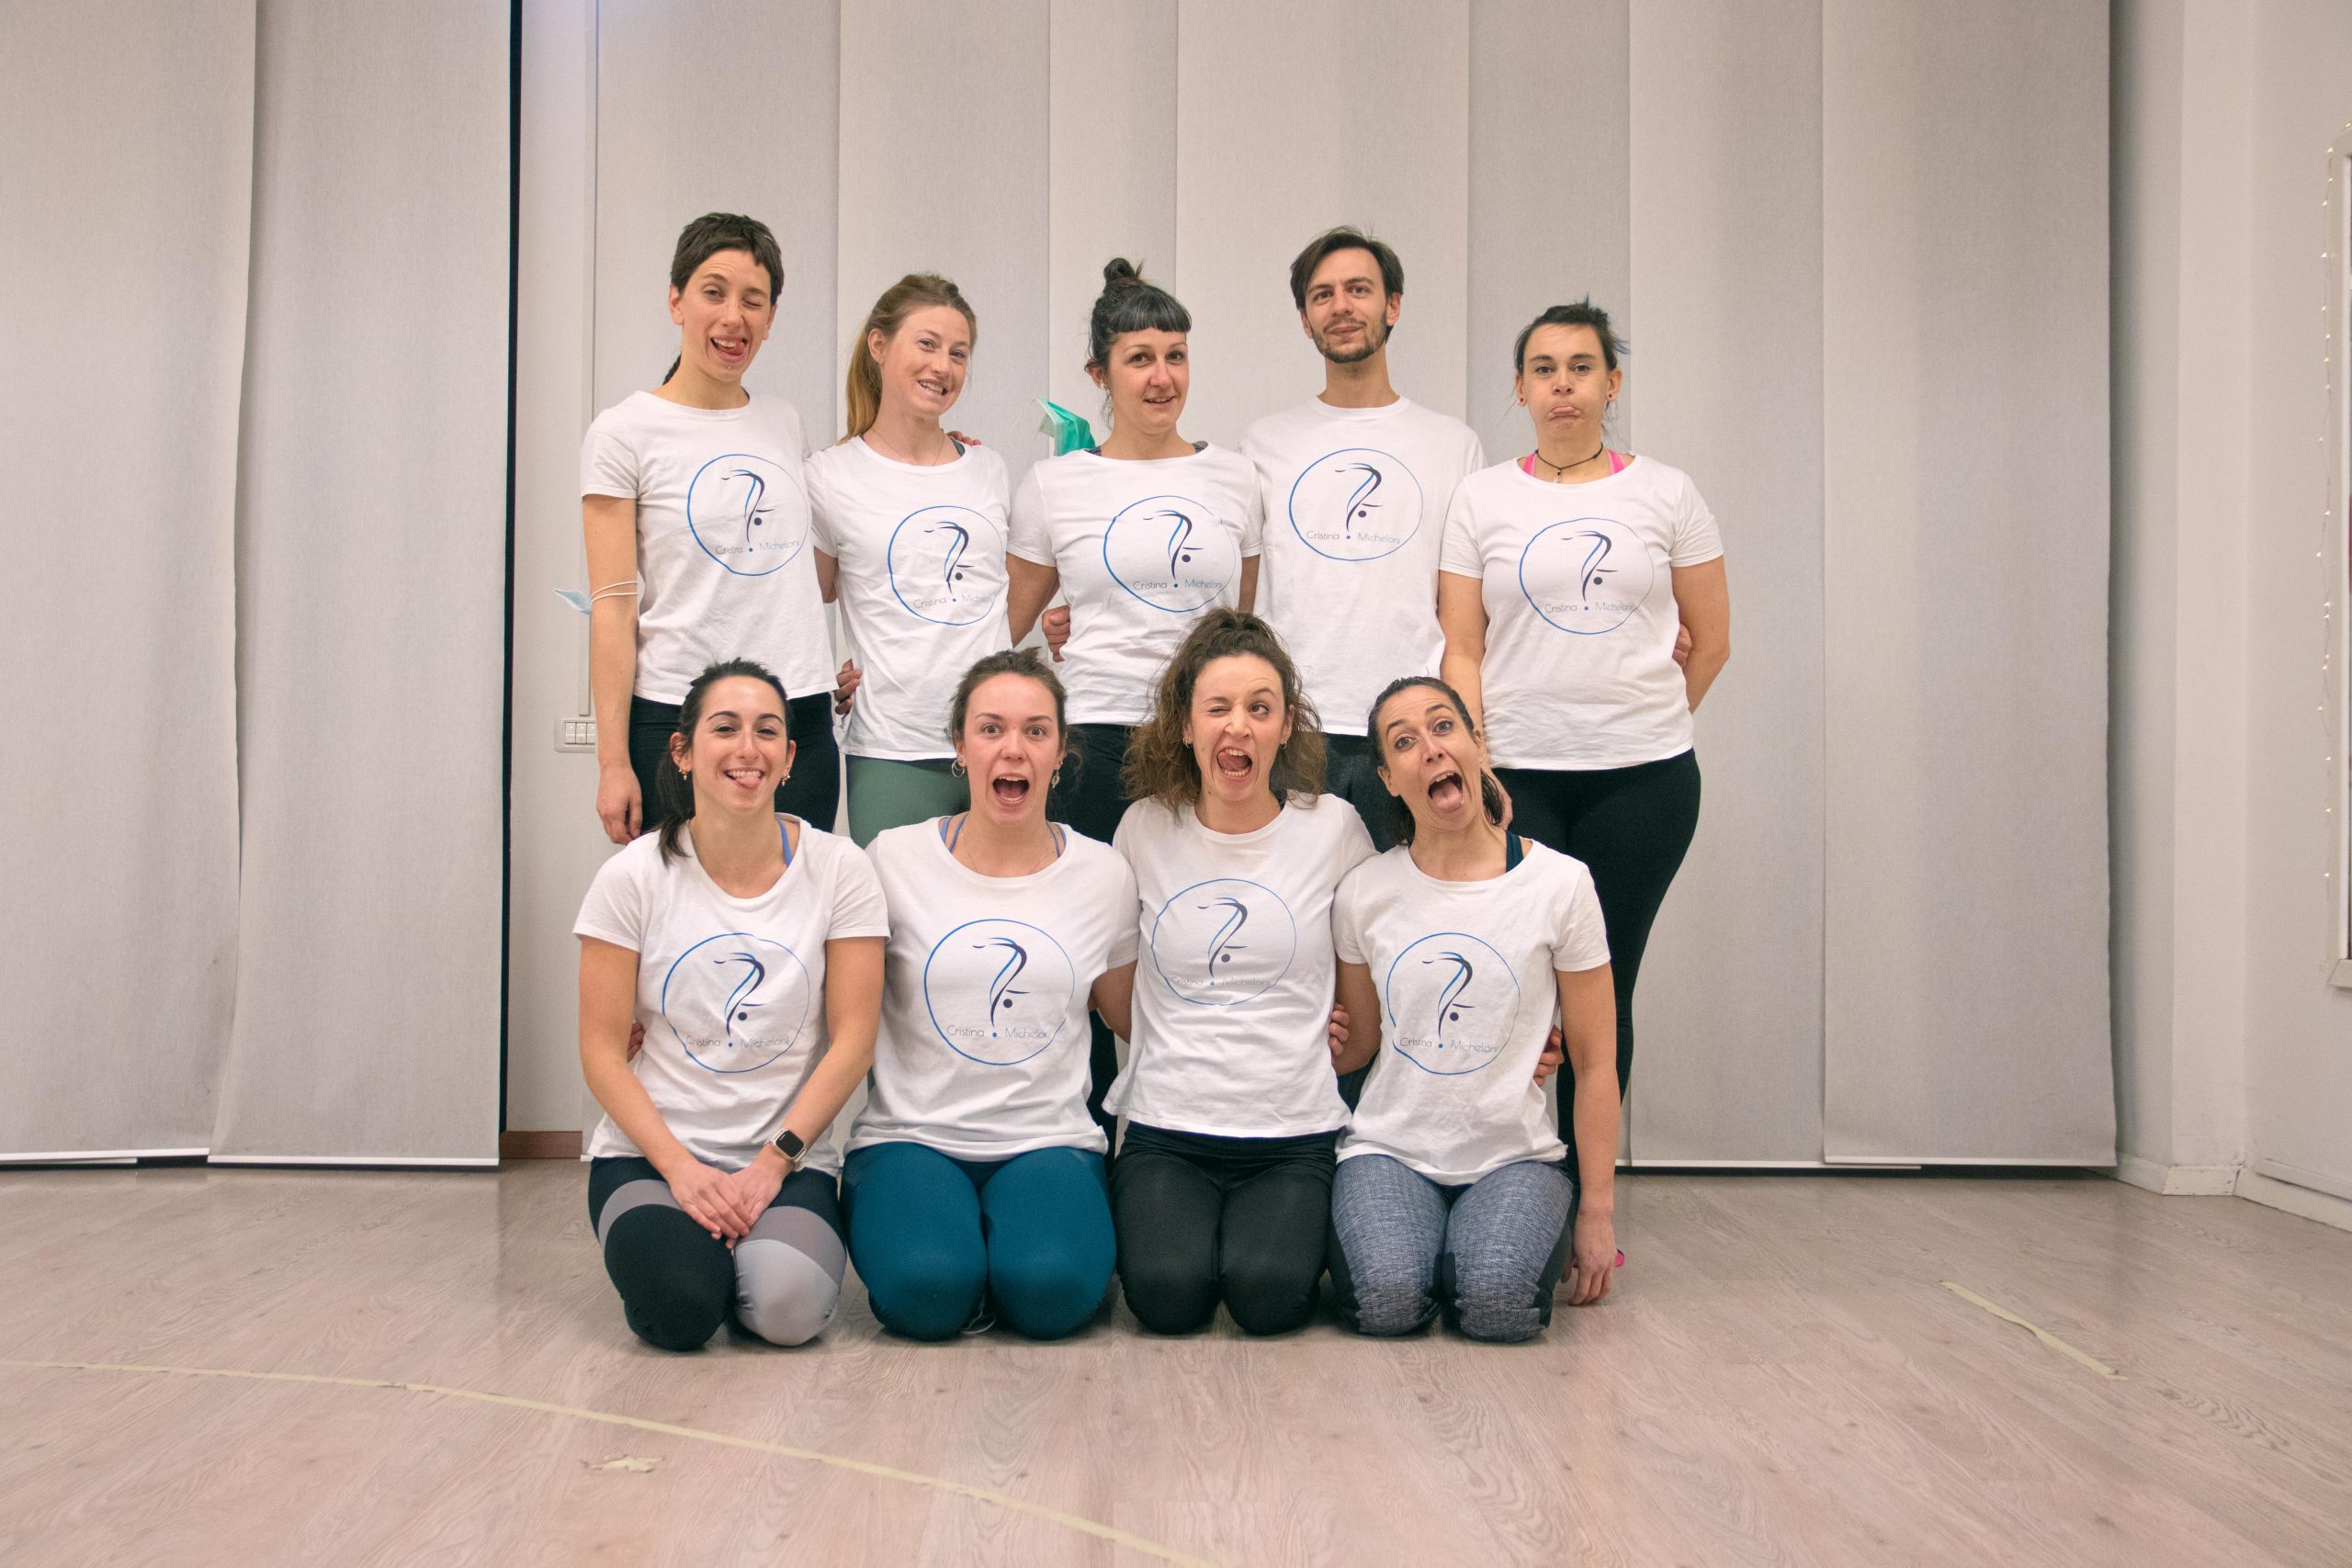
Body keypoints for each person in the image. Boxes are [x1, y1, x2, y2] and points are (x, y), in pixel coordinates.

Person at [1436, 300, 1729, 1168]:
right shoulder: (1482, 498)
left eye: (1580, 368)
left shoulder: (1667, 492)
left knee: (1604, 987)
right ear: (1520, 389)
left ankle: (1581, 1193)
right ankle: (1506, 1177)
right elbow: (1462, 647)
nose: (1562, 385)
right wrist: (1478, 762)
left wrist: (1643, 718)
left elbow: (1712, 641)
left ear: (1612, 383)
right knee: (1517, 985)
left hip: (1644, 784)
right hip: (1517, 778)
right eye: (1544, 369)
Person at [1006, 257, 1263, 1134]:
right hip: (1096, 739)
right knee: (1087, 944)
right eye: (1140, 358)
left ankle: (1183, 1134)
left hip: (1207, 743)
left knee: (1193, 939)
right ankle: (1078, 1137)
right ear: (1100, 373)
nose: (1162, 377)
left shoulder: (1235, 477)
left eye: (1176, 356)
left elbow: (1242, 628)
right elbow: (1004, 622)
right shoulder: (1054, 485)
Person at [575, 660, 887, 1350]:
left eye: (767, 731)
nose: (748, 748)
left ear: (790, 757)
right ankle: (692, 1259)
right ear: (682, 751)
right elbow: (600, 1051)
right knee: (682, 1308)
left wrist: (772, 1165)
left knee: (787, 1312)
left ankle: (736, 1255)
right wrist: (681, 1171)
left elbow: (854, 1042)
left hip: (787, 1160)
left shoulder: (841, 869)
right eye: (725, 728)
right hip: (652, 1159)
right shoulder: (631, 878)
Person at [841, 649, 1137, 1339]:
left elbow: (1131, 1016)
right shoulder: (891, 859)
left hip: (1048, 1139)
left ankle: (1009, 1256)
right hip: (911, 1138)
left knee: (1053, 1295)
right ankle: (959, 1256)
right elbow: (839, 1003)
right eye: (991, 728)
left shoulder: (1105, 873)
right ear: (959, 746)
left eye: (1036, 731)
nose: (1014, 748)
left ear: (1060, 752)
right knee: (926, 1291)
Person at [1328, 676, 1620, 1342]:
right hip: (1388, 1151)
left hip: (1515, 1157)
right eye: (1404, 742)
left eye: (1443, 726)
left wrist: (1597, 1214)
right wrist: (1316, 1032)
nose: (1430, 748)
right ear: (1388, 779)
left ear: (1476, 744)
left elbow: (1596, 1061)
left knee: (1497, 1304)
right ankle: (1426, 1248)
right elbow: (1360, 1046)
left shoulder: (1561, 884)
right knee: (1387, 1300)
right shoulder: (1363, 891)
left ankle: (1471, 1248)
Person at [1106, 610, 1374, 1335]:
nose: (1238, 726)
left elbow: (1375, 966)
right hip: (1166, 1128)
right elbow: (1118, 995)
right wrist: (1171, 1036)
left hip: (1292, 1133)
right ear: (1184, 725)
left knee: (1268, 1298)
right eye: (1217, 707)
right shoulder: (1143, 828)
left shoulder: (1334, 828)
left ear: (1286, 726)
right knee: (1166, 1298)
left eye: (1260, 708)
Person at [582, 212, 842, 845]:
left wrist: (934, 449)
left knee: (795, 900)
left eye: (754, 301)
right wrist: (612, 762)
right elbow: (612, 606)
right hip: (679, 714)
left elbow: (807, 567)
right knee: (683, 901)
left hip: (798, 713)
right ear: (676, 301)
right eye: (714, 292)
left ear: (771, 319)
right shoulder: (623, 432)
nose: (734, 318)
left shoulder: (784, 422)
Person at [1241, 227, 1484, 852]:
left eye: (1358, 289)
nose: (1341, 306)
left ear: (1392, 305)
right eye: (1322, 295)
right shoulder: (1263, 444)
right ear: (1305, 320)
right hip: (1294, 729)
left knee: (1405, 907)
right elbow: (1235, 588)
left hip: (1409, 733)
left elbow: (1467, 617)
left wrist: (1473, 747)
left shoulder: (1452, 445)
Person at [807, 274, 1012, 847]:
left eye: (958, 353)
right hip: (893, 748)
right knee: (894, 905)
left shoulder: (988, 468)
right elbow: (799, 604)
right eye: (927, 344)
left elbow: (1002, 597)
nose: (942, 366)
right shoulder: (827, 476)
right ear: (878, 345)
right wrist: (827, 682)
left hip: (999, 743)